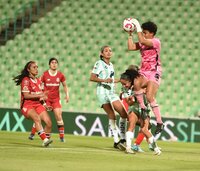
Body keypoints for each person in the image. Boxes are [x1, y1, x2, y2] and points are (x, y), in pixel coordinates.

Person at [126, 19, 164, 134]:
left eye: (145, 32)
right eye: (143, 32)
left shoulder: (156, 42)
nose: (143, 34)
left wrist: (136, 25)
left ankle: (159, 122)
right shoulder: (143, 43)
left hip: (154, 72)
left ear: (152, 33)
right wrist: (130, 34)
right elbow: (131, 47)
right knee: (136, 82)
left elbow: (142, 40)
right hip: (144, 71)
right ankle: (143, 108)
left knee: (149, 96)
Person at [90, 45, 128, 150]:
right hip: (102, 92)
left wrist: (120, 80)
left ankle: (123, 138)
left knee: (123, 113)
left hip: (111, 92)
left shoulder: (111, 65)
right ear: (102, 54)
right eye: (106, 51)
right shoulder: (99, 63)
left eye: (110, 51)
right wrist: (103, 80)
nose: (108, 52)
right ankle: (116, 140)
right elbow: (92, 77)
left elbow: (110, 79)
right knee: (111, 114)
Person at [120, 69, 161, 155]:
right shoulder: (125, 89)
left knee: (145, 129)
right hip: (134, 107)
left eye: (125, 83)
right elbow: (129, 102)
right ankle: (128, 147)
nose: (124, 86)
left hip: (144, 108)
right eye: (122, 84)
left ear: (130, 80)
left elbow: (151, 94)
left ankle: (156, 149)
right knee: (131, 125)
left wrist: (146, 92)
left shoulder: (142, 82)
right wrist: (132, 98)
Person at [29, 57, 70, 142]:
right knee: (40, 116)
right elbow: (38, 84)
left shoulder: (60, 75)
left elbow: (65, 85)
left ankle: (61, 137)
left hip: (55, 99)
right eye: (52, 62)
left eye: (55, 62)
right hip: (46, 99)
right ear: (49, 64)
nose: (54, 64)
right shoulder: (44, 74)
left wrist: (67, 95)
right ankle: (32, 134)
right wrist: (40, 96)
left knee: (59, 115)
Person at [13, 61, 53, 147]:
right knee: (37, 118)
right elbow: (26, 96)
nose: (36, 69)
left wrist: (45, 105)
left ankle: (47, 141)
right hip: (27, 105)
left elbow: (40, 97)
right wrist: (40, 94)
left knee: (49, 122)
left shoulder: (38, 81)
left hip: (38, 105)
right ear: (28, 69)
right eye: (34, 67)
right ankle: (45, 140)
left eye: (37, 67)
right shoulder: (26, 80)